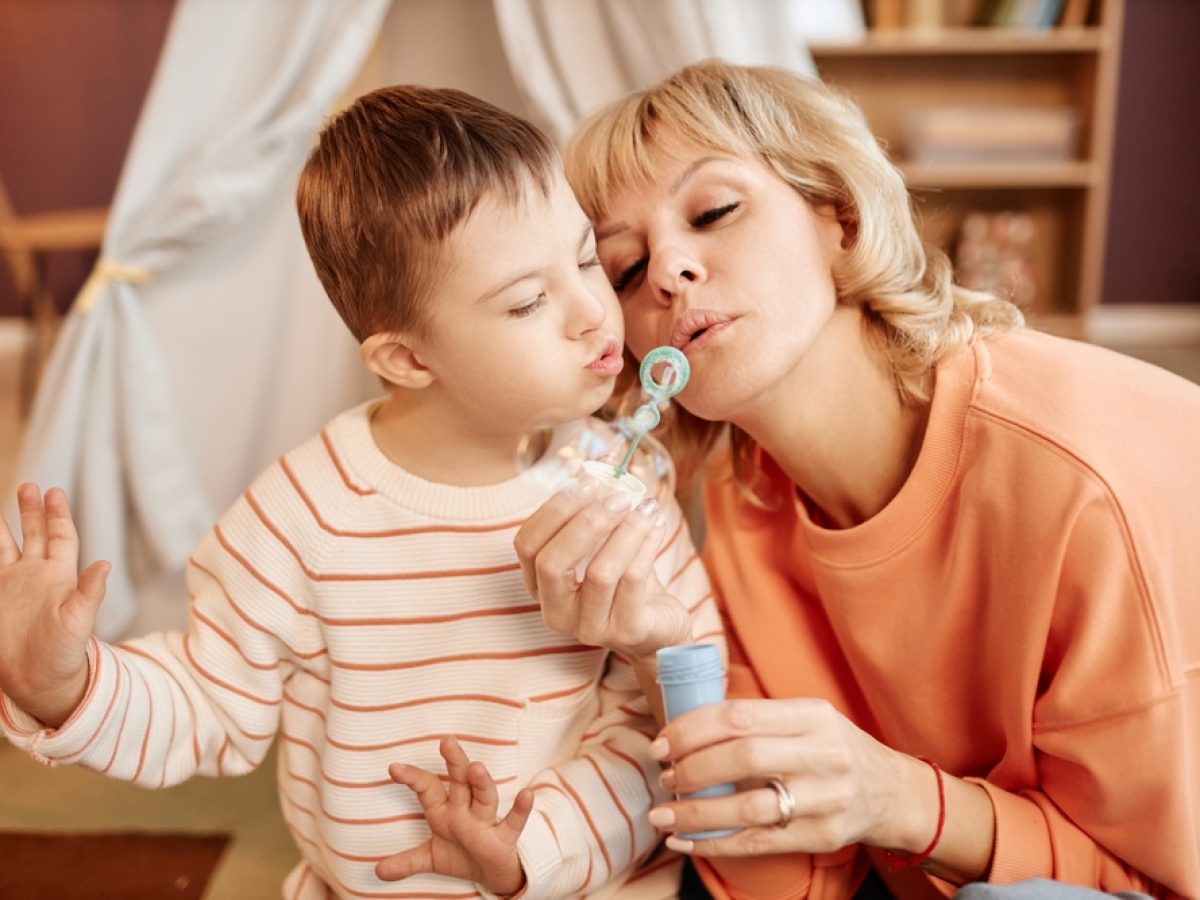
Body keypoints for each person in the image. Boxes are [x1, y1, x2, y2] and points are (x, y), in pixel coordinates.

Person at [0, 85, 723, 900]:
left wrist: (533, 850)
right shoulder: (299, 518)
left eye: (587, 257)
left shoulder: (626, 486)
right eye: (527, 301)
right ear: (408, 360)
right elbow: (206, 703)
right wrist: (62, 689)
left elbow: (664, 722)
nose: (594, 312)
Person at [513, 59, 1200, 899]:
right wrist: (664, 657)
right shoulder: (743, 494)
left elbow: (1155, 878)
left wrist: (901, 800)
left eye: (715, 211)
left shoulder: (1080, 483)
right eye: (623, 268)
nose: (667, 272)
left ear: (839, 219)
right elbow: (786, 880)